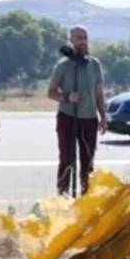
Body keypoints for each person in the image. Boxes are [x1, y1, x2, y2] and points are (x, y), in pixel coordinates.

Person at [46, 26, 108, 196]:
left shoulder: (94, 65)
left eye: (85, 37)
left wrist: (103, 116)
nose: (82, 41)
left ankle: (87, 198)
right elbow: (50, 92)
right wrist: (66, 97)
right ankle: (63, 198)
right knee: (67, 160)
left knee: (88, 162)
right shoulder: (64, 65)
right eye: (79, 38)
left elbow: (99, 94)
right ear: (71, 41)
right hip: (68, 118)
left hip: (89, 119)